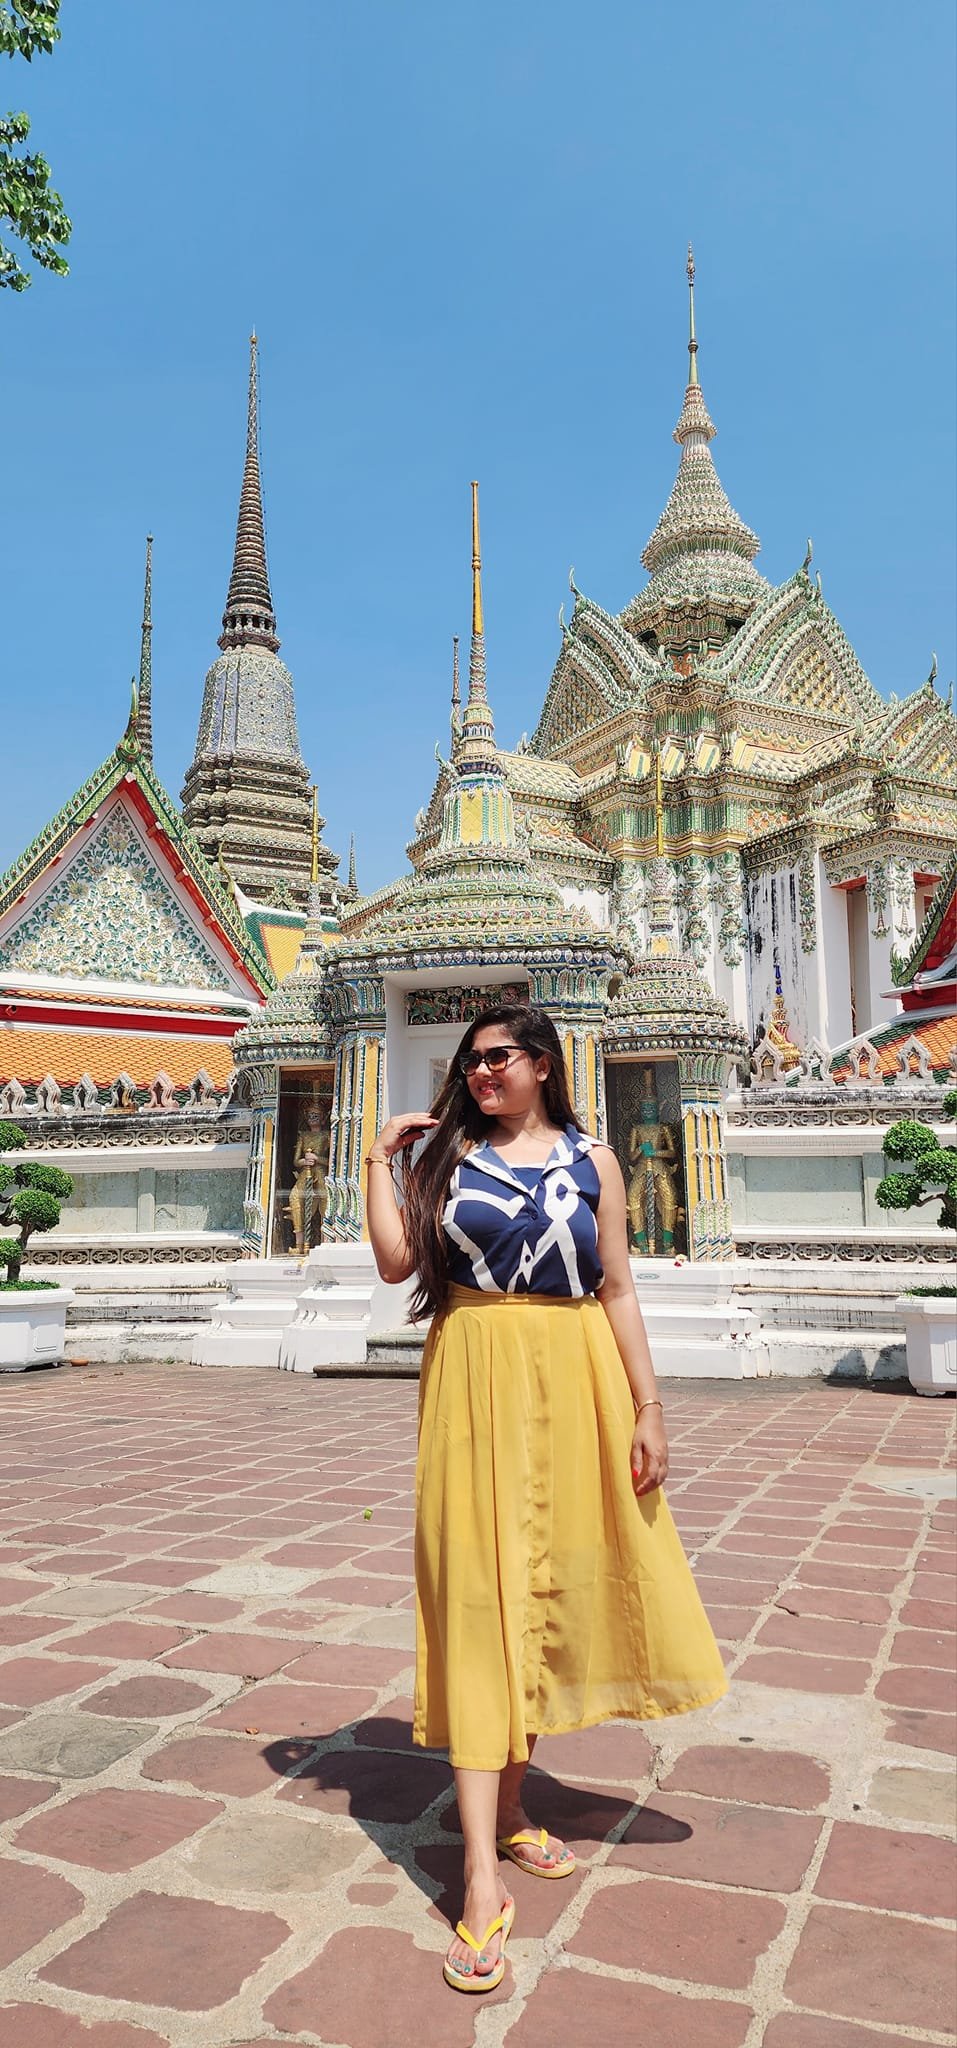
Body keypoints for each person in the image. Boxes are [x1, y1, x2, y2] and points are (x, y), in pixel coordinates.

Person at [364, 1004, 727, 1995]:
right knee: (479, 1597)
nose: (479, 1073)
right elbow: (396, 1264)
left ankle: (515, 1808)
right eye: (469, 1061)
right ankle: (479, 1876)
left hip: (577, 1379)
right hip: (474, 1372)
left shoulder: (593, 1161)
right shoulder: (448, 1160)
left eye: (497, 1057)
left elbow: (617, 1288)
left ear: (541, 1064)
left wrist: (648, 1407)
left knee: (550, 1585)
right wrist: (378, 1161)